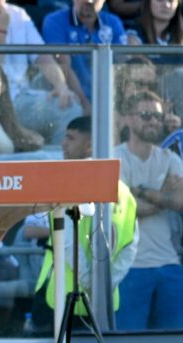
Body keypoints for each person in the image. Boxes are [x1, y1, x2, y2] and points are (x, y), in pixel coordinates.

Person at [33, 116, 139, 318]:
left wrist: (89, 284)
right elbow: (130, 248)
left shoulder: (69, 183)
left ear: (89, 145)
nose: (63, 143)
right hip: (104, 304)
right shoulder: (123, 191)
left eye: (70, 138)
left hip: (62, 299)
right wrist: (105, 286)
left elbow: (66, 241)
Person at [0, 0, 82, 144]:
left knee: (68, 102)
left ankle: (58, 160)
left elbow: (42, 56)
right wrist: (1, 33)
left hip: (22, 96)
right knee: (68, 110)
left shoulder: (19, 15)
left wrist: (61, 86)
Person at [115, 91, 183, 329]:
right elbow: (128, 211)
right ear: (130, 119)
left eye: (157, 116)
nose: (153, 121)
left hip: (169, 265)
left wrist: (143, 192)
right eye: (146, 115)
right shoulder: (115, 158)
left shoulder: (170, 159)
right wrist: (165, 195)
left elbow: (182, 202)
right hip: (129, 268)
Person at [42, 0, 127, 114]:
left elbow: (124, 66)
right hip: (72, 100)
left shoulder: (113, 23)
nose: (89, 1)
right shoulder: (54, 21)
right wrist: (84, 104)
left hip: (110, 102)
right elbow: (64, 68)